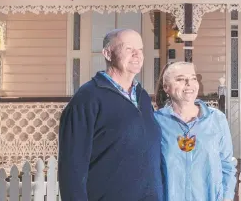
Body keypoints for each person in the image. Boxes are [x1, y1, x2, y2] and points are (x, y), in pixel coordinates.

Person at [58, 29, 164, 201]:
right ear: (108, 53)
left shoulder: (142, 96)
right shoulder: (87, 99)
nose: (137, 55)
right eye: (129, 49)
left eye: (140, 49)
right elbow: (72, 168)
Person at [154, 61, 237, 201]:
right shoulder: (156, 122)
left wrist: (227, 197)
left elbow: (227, 165)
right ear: (166, 87)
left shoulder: (217, 119)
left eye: (193, 78)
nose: (189, 83)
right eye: (180, 79)